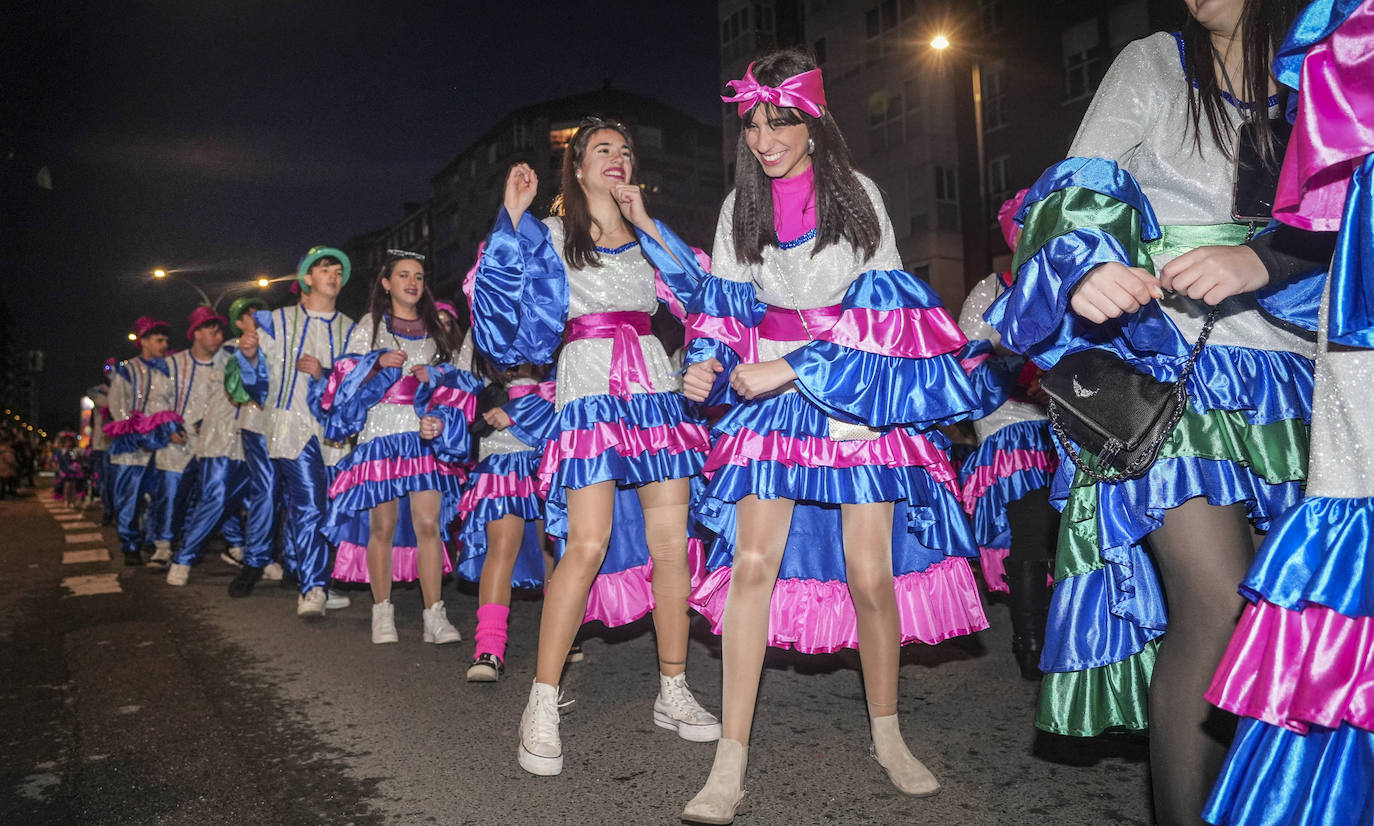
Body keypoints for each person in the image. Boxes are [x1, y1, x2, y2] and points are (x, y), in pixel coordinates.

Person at [983, 1, 1333, 822]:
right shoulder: (1155, 61)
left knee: (1285, 617)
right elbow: (1075, 188)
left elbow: (1351, 217)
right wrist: (1083, 269)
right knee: (1216, 601)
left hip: (1297, 376)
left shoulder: (1324, 76)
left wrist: (1264, 259)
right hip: (1175, 360)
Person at [661, 49, 988, 823]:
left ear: (812, 121)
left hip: (851, 395)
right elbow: (722, 305)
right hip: (769, 403)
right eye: (752, 124)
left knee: (870, 575)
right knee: (750, 567)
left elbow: (888, 319)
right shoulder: (738, 208)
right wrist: (703, 362)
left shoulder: (859, 193)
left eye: (779, 122)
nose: (765, 138)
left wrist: (792, 367)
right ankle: (728, 760)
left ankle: (888, 735)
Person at [472, 117, 719, 777]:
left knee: (672, 549)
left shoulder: (649, 237)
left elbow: (707, 302)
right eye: (602, 149)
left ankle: (673, 687)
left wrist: (649, 225)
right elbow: (503, 329)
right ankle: (542, 702)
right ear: (577, 169)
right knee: (585, 544)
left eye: (626, 150)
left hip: (656, 398)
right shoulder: (550, 236)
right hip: (587, 395)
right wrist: (510, 222)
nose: (617, 157)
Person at [1202, 3, 1374, 822]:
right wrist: (1258, 257)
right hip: (1226, 356)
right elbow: (1325, 198)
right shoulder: (1153, 63)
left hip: (1296, 355)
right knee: (1219, 600)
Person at [319, 250, 478, 643]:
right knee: (383, 526)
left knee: (429, 525)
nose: (412, 282)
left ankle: (434, 616)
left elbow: (460, 385)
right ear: (386, 284)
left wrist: (437, 381)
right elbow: (343, 381)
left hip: (423, 436)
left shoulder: (436, 329)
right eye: (404, 275)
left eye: (419, 276)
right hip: (380, 436)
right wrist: (375, 362)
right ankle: (382, 611)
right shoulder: (370, 325)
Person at [956, 189, 1061, 680]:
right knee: (1032, 529)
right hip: (1014, 430)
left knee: (1069, 537)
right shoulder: (991, 290)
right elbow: (969, 361)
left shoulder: (1068, 285)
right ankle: (1031, 642)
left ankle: (1068, 637)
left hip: (1070, 429)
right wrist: (1024, 378)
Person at [235, 247, 356, 618]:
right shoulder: (276, 321)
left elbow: (356, 388)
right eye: (325, 270)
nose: (333, 276)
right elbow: (257, 388)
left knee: (334, 509)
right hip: (291, 426)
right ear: (306, 278)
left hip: (334, 432)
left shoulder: (352, 328)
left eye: (338, 271)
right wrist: (251, 357)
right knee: (308, 506)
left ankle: (316, 575)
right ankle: (313, 588)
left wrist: (326, 375)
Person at [454, 329, 558, 681]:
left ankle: (564, 635)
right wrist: (440, 420)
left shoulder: (552, 313)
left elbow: (570, 382)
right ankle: (489, 648)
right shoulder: (481, 326)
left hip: (548, 456)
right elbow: (458, 391)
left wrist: (520, 409)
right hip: (500, 456)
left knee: (556, 548)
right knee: (503, 545)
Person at [167, 309, 249, 586]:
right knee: (212, 498)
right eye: (252, 317)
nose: (219, 336)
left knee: (248, 499)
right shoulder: (228, 353)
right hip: (214, 442)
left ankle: (254, 555)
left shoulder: (266, 349)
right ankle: (181, 557)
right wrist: (170, 425)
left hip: (248, 441)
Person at [146, 306, 226, 566]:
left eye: (219, 332)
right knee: (170, 493)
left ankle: (223, 546)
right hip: (177, 442)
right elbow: (156, 400)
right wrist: (169, 427)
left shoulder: (226, 364)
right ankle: (163, 546)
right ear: (197, 334)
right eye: (213, 332)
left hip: (213, 441)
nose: (219, 338)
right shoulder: (172, 364)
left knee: (216, 493)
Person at [104, 317, 185, 566]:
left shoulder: (168, 371)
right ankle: (130, 545)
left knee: (157, 495)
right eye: (159, 340)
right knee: (130, 496)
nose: (164, 344)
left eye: (166, 340)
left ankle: (153, 540)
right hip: (133, 445)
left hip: (160, 445)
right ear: (144, 341)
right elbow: (118, 407)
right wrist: (139, 432)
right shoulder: (127, 370)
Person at [222, 296, 285, 594]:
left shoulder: (283, 339)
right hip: (257, 425)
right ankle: (255, 560)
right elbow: (236, 390)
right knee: (267, 489)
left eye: (261, 312)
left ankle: (295, 562)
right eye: (249, 315)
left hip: (288, 426)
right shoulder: (237, 348)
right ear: (239, 323)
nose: (257, 318)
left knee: (296, 494)